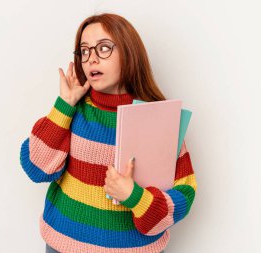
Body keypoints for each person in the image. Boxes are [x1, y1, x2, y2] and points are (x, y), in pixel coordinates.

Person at [19, 13, 197, 253]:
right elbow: (36, 167)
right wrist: (65, 103)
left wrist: (135, 197)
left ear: (129, 53)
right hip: (63, 245)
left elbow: (184, 194)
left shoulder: (159, 119)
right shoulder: (73, 110)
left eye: (103, 48)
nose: (91, 59)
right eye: (84, 51)